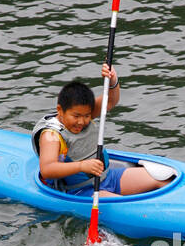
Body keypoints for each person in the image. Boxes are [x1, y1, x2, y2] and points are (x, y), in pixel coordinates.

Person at [31, 65, 172, 196]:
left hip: (109, 177)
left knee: (161, 180)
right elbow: (47, 169)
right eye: (76, 116)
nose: (82, 121)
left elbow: (110, 101)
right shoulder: (51, 136)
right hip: (83, 191)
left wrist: (113, 81)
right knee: (121, 204)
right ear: (60, 110)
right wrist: (81, 166)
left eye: (87, 116)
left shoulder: (84, 113)